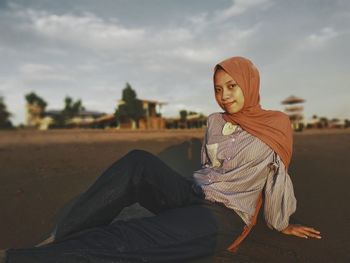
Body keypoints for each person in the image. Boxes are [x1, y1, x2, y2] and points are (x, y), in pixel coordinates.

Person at [2, 56, 321, 263]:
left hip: (223, 217)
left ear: (250, 85)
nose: (224, 95)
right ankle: (61, 235)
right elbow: (208, 168)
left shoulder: (276, 124)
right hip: (191, 193)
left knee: (128, 238)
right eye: (218, 88)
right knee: (138, 162)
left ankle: (19, 259)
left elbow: (278, 176)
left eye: (232, 86)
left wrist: (281, 223)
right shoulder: (213, 121)